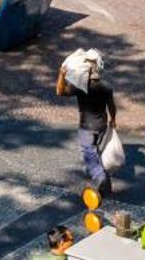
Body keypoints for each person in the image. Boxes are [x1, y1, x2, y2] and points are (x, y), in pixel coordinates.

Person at [57, 50, 118, 196]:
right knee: (95, 151)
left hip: (86, 127)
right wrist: (113, 119)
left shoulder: (80, 87)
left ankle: (100, 177)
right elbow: (112, 106)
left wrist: (62, 74)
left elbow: (60, 92)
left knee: (88, 153)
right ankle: (105, 186)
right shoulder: (106, 86)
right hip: (102, 125)